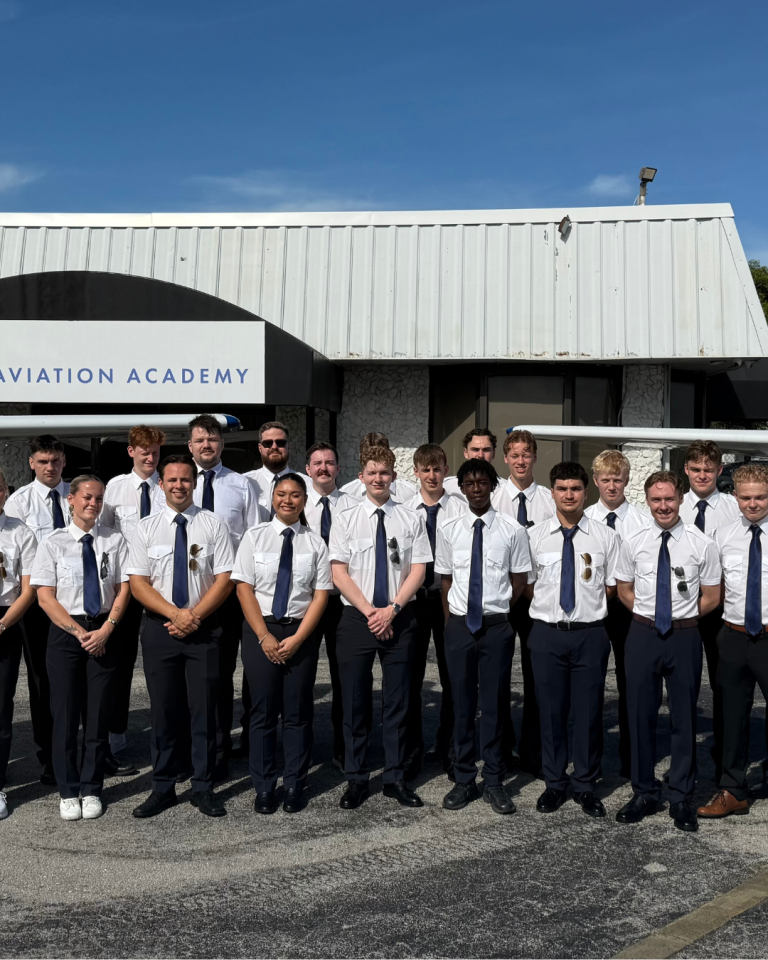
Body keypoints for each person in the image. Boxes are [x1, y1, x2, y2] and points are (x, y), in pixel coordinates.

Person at [128, 455, 235, 819]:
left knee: (204, 710)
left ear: (194, 483)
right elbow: (138, 583)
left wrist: (194, 616)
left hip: (204, 628)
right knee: (163, 710)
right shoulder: (145, 528)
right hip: (161, 629)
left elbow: (225, 579)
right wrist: (176, 615)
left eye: (185, 480)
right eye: (171, 480)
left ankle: (203, 787)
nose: (178, 485)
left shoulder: (213, 524)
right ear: (161, 484)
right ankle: (162, 787)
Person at [615, 470, 722, 832]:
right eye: (656, 500)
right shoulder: (632, 541)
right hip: (643, 633)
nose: (663, 506)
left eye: (670, 499)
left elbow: (711, 596)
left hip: (684, 636)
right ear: (647, 501)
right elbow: (625, 588)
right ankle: (644, 791)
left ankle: (680, 797)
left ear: (680, 499)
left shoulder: (700, 543)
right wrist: (650, 615)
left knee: (683, 719)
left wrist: (680, 617)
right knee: (639, 714)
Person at [330, 444, 431, 809]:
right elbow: (338, 572)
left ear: (393, 477)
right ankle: (356, 779)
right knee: (355, 702)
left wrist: (392, 609)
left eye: (384, 473)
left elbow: (418, 569)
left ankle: (394, 777)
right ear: (361, 477)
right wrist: (372, 612)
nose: (378, 479)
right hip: (357, 617)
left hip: (399, 616)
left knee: (398, 702)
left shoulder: (411, 518)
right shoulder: (345, 517)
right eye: (371, 473)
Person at [31, 475, 130, 821]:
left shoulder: (114, 540)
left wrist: (106, 629)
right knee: (65, 715)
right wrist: (79, 633)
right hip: (65, 634)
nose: (94, 504)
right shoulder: (52, 543)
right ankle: (68, 790)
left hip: (103, 630)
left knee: (97, 714)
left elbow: (123, 589)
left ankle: (92, 788)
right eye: (87, 497)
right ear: (70, 500)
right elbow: (45, 596)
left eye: (99, 499)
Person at [232, 473, 332, 814]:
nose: (287, 500)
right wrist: (264, 636)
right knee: (262, 712)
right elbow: (243, 588)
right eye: (281, 494)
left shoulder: (315, 544)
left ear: (304, 501)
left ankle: (294, 784)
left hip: (300, 632)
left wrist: (300, 638)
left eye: (294, 495)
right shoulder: (254, 537)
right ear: (272, 499)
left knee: (298, 712)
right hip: (261, 630)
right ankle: (264, 787)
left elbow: (320, 596)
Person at [435, 459, 531, 814]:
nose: (476, 488)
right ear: (461, 488)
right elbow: (446, 579)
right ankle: (463, 779)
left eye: (482, 482)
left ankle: (493, 779)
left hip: (495, 626)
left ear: (493, 486)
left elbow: (520, 578)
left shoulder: (511, 529)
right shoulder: (449, 529)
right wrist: (451, 622)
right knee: (461, 703)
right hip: (460, 625)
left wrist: (500, 607)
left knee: (493, 703)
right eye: (470, 483)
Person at [527, 462, 619, 818]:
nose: (569, 495)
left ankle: (585, 784)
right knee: (550, 713)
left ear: (586, 491)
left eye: (576, 489)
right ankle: (554, 783)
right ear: (552, 492)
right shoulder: (534, 535)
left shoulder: (604, 536)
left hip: (589, 634)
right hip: (548, 634)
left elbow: (611, 587)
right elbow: (527, 584)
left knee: (588, 713)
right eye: (562, 488)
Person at [188, 413, 263, 775]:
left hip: (230, 593)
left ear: (222, 445)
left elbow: (251, 538)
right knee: (192, 676)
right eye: (200, 439)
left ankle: (218, 752)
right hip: (187, 593)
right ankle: (192, 748)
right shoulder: (173, 483)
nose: (207, 445)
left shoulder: (242, 485)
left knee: (223, 673)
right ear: (190, 445)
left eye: (213, 440)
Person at [698, 464, 768, 819]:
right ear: (735, 496)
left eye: (760, 497)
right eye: (745, 498)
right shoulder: (723, 536)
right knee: (731, 717)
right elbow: (713, 587)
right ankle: (732, 790)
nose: (752, 504)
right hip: (735, 635)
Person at [5, 435, 70, 784]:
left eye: (56, 460)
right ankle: (49, 755)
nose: (50, 467)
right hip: (35, 603)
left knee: (85, 677)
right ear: (31, 462)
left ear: (64, 461)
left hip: (77, 599)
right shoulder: (18, 503)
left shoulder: (78, 496)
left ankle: (93, 749)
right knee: (42, 679)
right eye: (43, 461)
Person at [101, 424, 167, 768]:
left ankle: (170, 734)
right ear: (131, 452)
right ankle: (115, 734)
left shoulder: (166, 487)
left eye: (155, 452)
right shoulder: (114, 488)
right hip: (127, 585)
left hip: (162, 586)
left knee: (164, 662)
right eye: (144, 452)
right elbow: (107, 536)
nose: (150, 457)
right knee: (119, 663)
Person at [491, 429, 556, 779]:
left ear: (534, 458)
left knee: (537, 679)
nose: (520, 460)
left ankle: (535, 753)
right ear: (505, 458)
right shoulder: (493, 495)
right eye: (514, 454)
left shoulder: (548, 499)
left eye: (526, 454)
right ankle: (500, 752)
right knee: (498, 677)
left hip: (537, 597)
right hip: (502, 597)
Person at [584, 450, 651, 778]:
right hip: (593, 607)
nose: (612, 486)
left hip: (628, 607)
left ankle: (632, 759)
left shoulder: (642, 521)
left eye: (618, 480)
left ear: (627, 481)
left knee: (632, 684)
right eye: (606, 480)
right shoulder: (583, 518)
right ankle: (589, 761)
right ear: (595, 481)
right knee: (591, 684)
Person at [401, 444, 465, 778]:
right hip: (413, 603)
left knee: (452, 677)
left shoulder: (460, 508)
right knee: (409, 679)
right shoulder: (404, 510)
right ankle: (410, 752)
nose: (431, 476)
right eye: (425, 470)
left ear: (445, 470)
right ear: (415, 472)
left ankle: (450, 749)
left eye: (437, 469)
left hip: (448, 602)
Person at [679, 440, 740, 778]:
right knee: (684, 681)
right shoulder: (674, 505)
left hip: (722, 607)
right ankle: (683, 749)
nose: (702, 475)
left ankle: (723, 751)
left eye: (709, 469)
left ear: (719, 471)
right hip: (684, 606)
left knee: (722, 683)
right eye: (696, 469)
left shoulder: (734, 507)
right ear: (686, 470)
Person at [303, 441, 356, 769]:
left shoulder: (352, 506)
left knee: (344, 678)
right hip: (306, 601)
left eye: (330, 462)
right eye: (317, 463)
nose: (324, 468)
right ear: (308, 468)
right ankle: (301, 750)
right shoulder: (294, 502)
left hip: (341, 603)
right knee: (302, 677)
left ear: (338, 468)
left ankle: (344, 747)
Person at [0, 467, 38, 821]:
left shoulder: (19, 532)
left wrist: (3, 623)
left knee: (0, 706)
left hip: (5, 619)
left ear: (5, 490)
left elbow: (28, 589)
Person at [244, 422, 303, 514]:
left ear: (289, 447)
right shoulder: (245, 482)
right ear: (260, 448)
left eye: (280, 443)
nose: (274, 447)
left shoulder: (307, 484)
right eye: (268, 443)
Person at [340, 434, 418, 503]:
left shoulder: (410, 492)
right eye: (368, 455)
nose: (374, 457)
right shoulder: (347, 492)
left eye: (381, 452)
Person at [443, 428, 498, 499]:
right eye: (475, 449)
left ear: (493, 454)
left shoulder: (505, 489)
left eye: (486, 450)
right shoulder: (447, 487)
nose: (480, 455)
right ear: (466, 453)